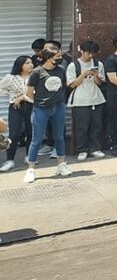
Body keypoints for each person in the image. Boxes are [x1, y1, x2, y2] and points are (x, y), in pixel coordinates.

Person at [23, 49, 71, 183]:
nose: (60, 58)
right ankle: (31, 168)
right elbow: (29, 92)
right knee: (36, 139)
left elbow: (63, 86)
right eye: (57, 56)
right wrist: (38, 103)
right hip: (41, 109)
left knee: (59, 137)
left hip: (58, 107)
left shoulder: (60, 70)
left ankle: (61, 164)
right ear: (49, 58)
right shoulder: (37, 72)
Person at [67, 40, 106, 162]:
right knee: (82, 127)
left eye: (92, 53)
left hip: (96, 98)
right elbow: (72, 84)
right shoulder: (74, 65)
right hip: (80, 99)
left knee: (96, 125)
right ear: (81, 51)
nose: (90, 56)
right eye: (88, 53)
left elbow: (100, 83)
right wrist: (83, 74)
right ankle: (82, 150)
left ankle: (95, 148)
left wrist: (95, 75)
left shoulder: (98, 64)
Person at [0, 57, 34, 172]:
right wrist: (12, 96)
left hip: (31, 106)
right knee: (14, 134)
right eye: (27, 63)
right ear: (20, 65)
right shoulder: (11, 77)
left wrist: (22, 97)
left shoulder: (35, 76)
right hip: (15, 108)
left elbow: (35, 93)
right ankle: (10, 160)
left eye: (31, 63)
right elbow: (1, 88)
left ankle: (29, 156)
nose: (31, 65)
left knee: (31, 132)